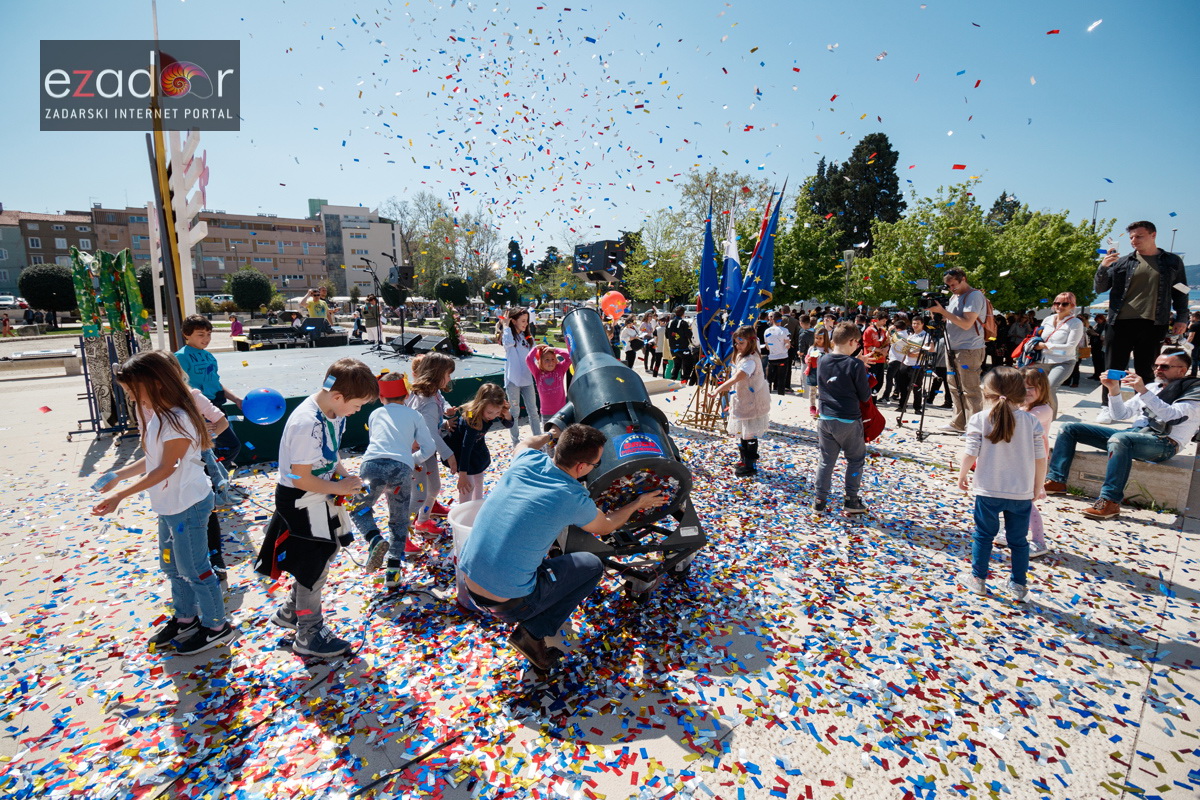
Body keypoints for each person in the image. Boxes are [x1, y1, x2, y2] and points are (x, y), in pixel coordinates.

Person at [458, 423, 668, 671]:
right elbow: (606, 526)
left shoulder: (526, 460)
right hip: (510, 602)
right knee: (591, 565)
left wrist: (550, 434)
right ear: (581, 467)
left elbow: (524, 443)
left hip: (469, 583)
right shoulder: (571, 496)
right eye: (595, 465)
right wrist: (638, 503)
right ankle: (532, 635)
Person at [91, 351, 236, 655]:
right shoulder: (156, 414)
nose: (130, 397)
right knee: (171, 566)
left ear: (156, 384)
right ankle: (186, 618)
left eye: (133, 390)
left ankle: (217, 627)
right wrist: (119, 474)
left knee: (195, 567)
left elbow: (165, 467)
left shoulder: (179, 418)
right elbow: (153, 459)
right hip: (168, 504)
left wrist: (121, 494)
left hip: (189, 504)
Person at [254, 357, 377, 658]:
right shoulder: (306, 423)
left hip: (319, 494)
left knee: (327, 550)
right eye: (358, 405)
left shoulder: (332, 411)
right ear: (338, 396)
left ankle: (290, 611)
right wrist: (339, 487)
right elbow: (300, 477)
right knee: (313, 565)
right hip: (300, 500)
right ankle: (308, 633)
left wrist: (344, 475)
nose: (358, 410)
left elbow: (329, 452)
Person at [1044, 349, 1200, 520]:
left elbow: (1172, 415)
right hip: (1134, 435)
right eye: (1155, 366)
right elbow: (1120, 415)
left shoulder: (1193, 391)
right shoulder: (1152, 388)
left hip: (1164, 443)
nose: (1157, 370)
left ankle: (1110, 501)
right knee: (1069, 428)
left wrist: (1143, 392)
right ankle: (1057, 481)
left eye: (1164, 367)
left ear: (1182, 370)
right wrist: (1113, 389)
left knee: (1120, 439)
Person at [957, 367, 1046, 602]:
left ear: (987, 393)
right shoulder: (1032, 422)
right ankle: (1018, 584)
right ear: (1021, 393)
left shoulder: (980, 419)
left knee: (983, 535)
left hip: (988, 489)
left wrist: (962, 475)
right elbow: (1041, 458)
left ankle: (978, 579)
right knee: (1018, 541)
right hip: (1021, 492)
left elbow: (970, 452)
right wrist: (1037, 486)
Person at [353, 372, 438, 590]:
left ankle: (373, 539)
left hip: (372, 466)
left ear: (381, 397)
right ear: (407, 394)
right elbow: (429, 448)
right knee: (398, 520)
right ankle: (393, 571)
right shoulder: (415, 416)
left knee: (358, 508)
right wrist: (411, 460)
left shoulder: (375, 414)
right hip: (401, 470)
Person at [1096, 220, 1188, 396]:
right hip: (1120, 322)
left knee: (1147, 370)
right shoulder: (1122, 262)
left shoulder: (1172, 261)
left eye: (1139, 236)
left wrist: (1182, 317)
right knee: (1113, 368)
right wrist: (1103, 267)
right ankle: (1107, 405)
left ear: (1153, 235)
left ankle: (1143, 406)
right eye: (1131, 237)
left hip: (1154, 323)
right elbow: (1100, 288)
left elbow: (1181, 291)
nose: (1133, 240)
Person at [174, 315, 242, 483]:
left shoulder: (209, 356)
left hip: (216, 407)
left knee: (223, 448)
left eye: (209, 334)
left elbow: (215, 383)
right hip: (200, 411)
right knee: (218, 448)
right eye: (200, 334)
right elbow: (180, 390)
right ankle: (211, 483)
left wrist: (236, 399)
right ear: (186, 335)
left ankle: (215, 481)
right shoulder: (180, 357)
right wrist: (196, 419)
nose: (206, 339)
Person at [812, 322, 871, 514]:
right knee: (855, 459)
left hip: (825, 417)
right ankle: (851, 499)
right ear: (853, 342)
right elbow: (865, 395)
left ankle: (819, 500)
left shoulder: (822, 360)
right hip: (848, 419)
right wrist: (860, 366)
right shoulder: (855, 365)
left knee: (826, 460)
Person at [405, 353, 460, 537]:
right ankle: (400, 533)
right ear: (437, 374)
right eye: (448, 374)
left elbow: (438, 410)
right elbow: (430, 435)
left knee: (434, 488)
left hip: (425, 451)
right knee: (418, 496)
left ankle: (422, 521)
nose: (450, 378)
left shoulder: (433, 393)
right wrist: (449, 455)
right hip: (416, 454)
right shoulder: (427, 402)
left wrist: (444, 419)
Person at [927, 268, 987, 435]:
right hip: (952, 346)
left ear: (963, 279)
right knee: (954, 387)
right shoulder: (955, 296)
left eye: (954, 284)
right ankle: (958, 422)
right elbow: (951, 319)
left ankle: (975, 428)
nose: (952, 288)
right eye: (949, 285)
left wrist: (943, 312)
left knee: (970, 389)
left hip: (969, 348)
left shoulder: (973, 296)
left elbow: (967, 323)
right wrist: (938, 314)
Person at [443, 383, 514, 503]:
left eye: (497, 413)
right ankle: (464, 509)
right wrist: (463, 474)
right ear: (481, 405)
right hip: (461, 450)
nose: (493, 416)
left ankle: (477, 506)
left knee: (479, 478)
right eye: (490, 413)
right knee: (468, 484)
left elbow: (509, 424)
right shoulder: (472, 418)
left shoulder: (492, 409)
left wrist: (505, 413)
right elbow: (466, 446)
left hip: (476, 447)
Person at [715, 325, 771, 477]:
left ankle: (750, 465)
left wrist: (718, 389)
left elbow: (737, 377)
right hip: (743, 400)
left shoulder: (750, 361)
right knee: (743, 433)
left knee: (750, 434)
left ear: (751, 343)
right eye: (736, 343)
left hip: (752, 402)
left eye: (741, 343)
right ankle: (743, 459)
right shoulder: (742, 356)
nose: (737, 346)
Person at [1019, 367, 1054, 559]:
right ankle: (1011, 532)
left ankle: (1039, 540)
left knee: (1026, 502)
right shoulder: (1023, 408)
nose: (1026, 392)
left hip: (1033, 462)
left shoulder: (1043, 409)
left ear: (1043, 388)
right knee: (1013, 499)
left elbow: (1024, 422)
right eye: (1021, 387)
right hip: (1020, 459)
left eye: (1031, 387)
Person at [1031, 293, 1085, 414]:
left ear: (1072, 305)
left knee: (1050, 388)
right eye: (1057, 303)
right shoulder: (1047, 319)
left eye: (1064, 304)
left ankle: (1050, 419)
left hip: (1063, 362)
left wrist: (1046, 346)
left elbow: (1070, 347)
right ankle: (1037, 416)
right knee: (1036, 389)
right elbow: (1039, 337)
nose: (1060, 306)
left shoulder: (1076, 323)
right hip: (1043, 361)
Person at [498, 307, 543, 446]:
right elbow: (507, 343)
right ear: (514, 321)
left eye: (527, 321)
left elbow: (534, 352)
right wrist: (505, 325)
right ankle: (516, 443)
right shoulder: (509, 336)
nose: (525, 324)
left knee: (533, 411)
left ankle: (538, 440)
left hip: (527, 380)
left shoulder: (527, 337)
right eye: (522, 321)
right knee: (514, 412)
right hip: (513, 380)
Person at [893, 316, 933, 423]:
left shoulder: (925, 335)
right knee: (903, 386)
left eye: (917, 323)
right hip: (906, 363)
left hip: (917, 364)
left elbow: (930, 349)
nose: (915, 325)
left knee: (917, 387)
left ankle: (917, 408)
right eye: (914, 323)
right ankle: (902, 406)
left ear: (922, 324)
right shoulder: (911, 335)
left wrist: (914, 354)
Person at [526, 344, 573, 430]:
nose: (550, 362)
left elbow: (569, 357)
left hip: (561, 411)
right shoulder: (537, 373)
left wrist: (555, 349)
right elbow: (528, 360)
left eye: (552, 359)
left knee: (562, 436)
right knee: (549, 439)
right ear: (541, 361)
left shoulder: (560, 369)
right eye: (546, 360)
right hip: (546, 413)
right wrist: (536, 348)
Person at [763, 311, 792, 395]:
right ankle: (780, 394)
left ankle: (767, 394)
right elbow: (787, 345)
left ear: (772, 320)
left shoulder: (767, 331)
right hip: (783, 357)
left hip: (772, 357)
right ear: (780, 320)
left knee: (769, 378)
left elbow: (767, 346)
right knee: (781, 378)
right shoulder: (785, 330)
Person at [862, 311, 890, 395]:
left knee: (879, 382)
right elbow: (867, 346)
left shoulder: (882, 331)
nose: (885, 323)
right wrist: (880, 350)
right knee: (871, 382)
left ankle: (874, 398)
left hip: (881, 360)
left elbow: (887, 343)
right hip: (871, 359)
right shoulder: (869, 330)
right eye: (883, 321)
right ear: (877, 320)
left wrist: (886, 349)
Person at [805, 329, 830, 419]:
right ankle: (812, 407)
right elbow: (807, 357)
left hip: (823, 373)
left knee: (822, 392)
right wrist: (808, 360)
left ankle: (820, 408)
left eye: (820, 338)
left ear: (825, 339)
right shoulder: (812, 348)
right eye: (816, 338)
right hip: (813, 372)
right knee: (812, 391)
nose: (818, 340)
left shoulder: (828, 350)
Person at [666, 306, 695, 382]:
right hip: (683, 348)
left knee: (677, 365)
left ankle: (673, 380)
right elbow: (689, 335)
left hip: (673, 348)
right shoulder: (684, 323)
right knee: (688, 365)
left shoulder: (669, 323)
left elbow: (667, 336)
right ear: (683, 313)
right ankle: (684, 381)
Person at [794, 315, 815, 397]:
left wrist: (798, 352)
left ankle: (806, 396)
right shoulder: (816, 332)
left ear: (801, 323)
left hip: (806, 360)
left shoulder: (803, 335)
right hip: (815, 359)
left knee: (805, 379)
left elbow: (801, 351)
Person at [1089, 313, 1109, 380]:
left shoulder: (1105, 325)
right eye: (1096, 320)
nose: (1097, 321)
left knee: (1100, 361)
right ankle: (1096, 374)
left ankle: (1100, 375)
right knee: (1095, 360)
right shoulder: (1097, 325)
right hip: (1094, 344)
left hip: (1099, 345)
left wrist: (1096, 334)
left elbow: (1102, 335)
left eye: (1098, 320)